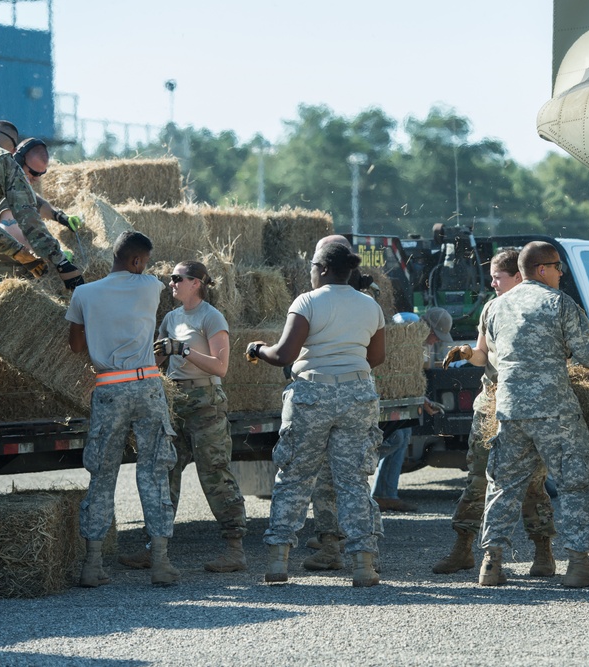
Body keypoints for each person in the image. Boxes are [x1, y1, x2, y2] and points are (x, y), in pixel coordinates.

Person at [247, 242, 385, 587]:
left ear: (322, 269)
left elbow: (283, 355)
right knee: (353, 482)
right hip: (358, 394)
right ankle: (364, 566)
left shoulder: (307, 302)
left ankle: (278, 563)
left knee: (295, 478)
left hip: (312, 393)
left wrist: (257, 349)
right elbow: (377, 357)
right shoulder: (370, 305)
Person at [478, 241, 589, 588]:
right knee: (577, 481)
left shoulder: (495, 307)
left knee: (503, 486)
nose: (560, 274)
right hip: (554, 410)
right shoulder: (558, 303)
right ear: (542, 270)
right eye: (557, 267)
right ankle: (579, 564)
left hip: (509, 410)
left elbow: (493, 355)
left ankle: (491, 564)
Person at [117, 260, 248, 574]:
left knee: (214, 473)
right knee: (165, 474)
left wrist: (184, 350)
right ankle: (155, 547)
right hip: (175, 401)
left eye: (177, 278)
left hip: (206, 402)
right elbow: (159, 361)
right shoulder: (171, 318)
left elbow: (221, 367)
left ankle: (235, 549)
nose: (171, 283)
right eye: (170, 278)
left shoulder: (211, 317)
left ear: (196, 283)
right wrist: (159, 351)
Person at [433, 248, 556, 577]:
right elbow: (482, 354)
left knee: (532, 483)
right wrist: (466, 352)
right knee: (478, 481)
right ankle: (463, 550)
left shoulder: (543, 307)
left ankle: (543, 553)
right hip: (490, 406)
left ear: (518, 276)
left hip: (528, 407)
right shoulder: (491, 308)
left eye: (497, 277)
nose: (492, 283)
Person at [66, 231, 179, 588]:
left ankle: (92, 564)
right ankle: (160, 563)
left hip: (109, 388)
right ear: (137, 261)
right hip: (146, 386)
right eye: (143, 260)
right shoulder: (150, 287)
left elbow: (75, 345)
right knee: (154, 470)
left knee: (102, 475)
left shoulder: (83, 294)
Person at [0, 120, 84, 423]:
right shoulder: (3, 162)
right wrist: (61, 263)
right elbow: (29, 220)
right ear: (13, 151)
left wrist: (21, 255)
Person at [372, 307, 451, 513]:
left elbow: (405, 376)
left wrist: (421, 399)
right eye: (436, 336)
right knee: (395, 438)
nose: (435, 341)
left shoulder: (417, 341)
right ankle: (355, 475)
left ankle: (385, 495)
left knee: (403, 434)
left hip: (392, 392)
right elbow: (390, 365)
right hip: (379, 390)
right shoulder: (407, 323)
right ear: (428, 327)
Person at [0, 137, 83, 252]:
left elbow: (35, 202)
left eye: (41, 173)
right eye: (34, 173)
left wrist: (60, 216)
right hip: (6, 268)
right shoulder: (7, 189)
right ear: (18, 161)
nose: (36, 178)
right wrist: (55, 256)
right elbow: (12, 233)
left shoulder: (19, 187)